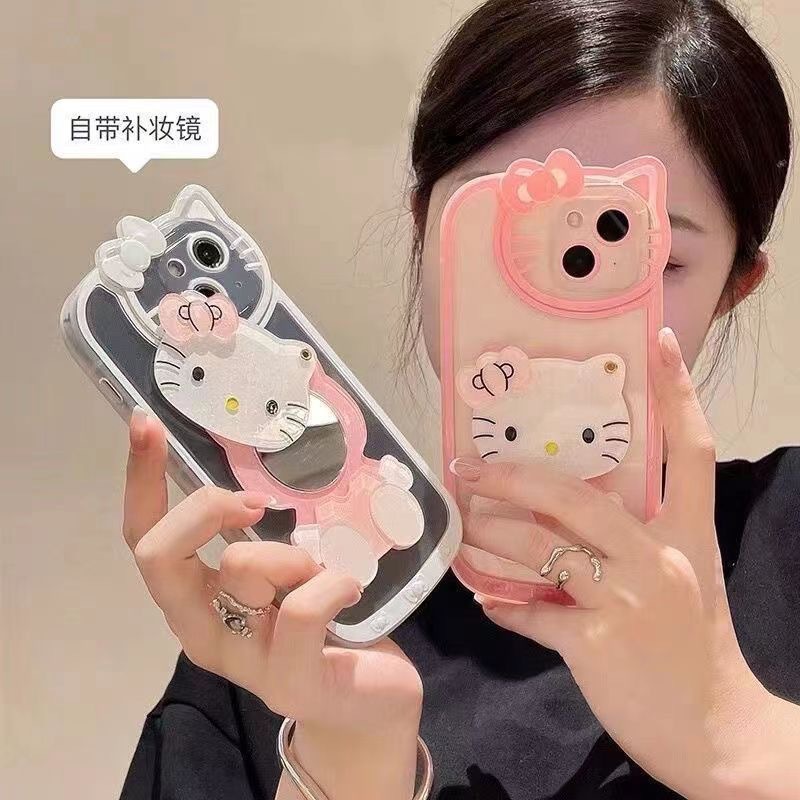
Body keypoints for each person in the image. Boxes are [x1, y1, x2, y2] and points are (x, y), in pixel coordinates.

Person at [120, 1, 800, 798]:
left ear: (733, 288)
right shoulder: (290, 622)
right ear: (425, 228)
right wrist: (352, 764)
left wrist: (734, 740)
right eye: (495, 242)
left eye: (644, 253)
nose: (557, 312)